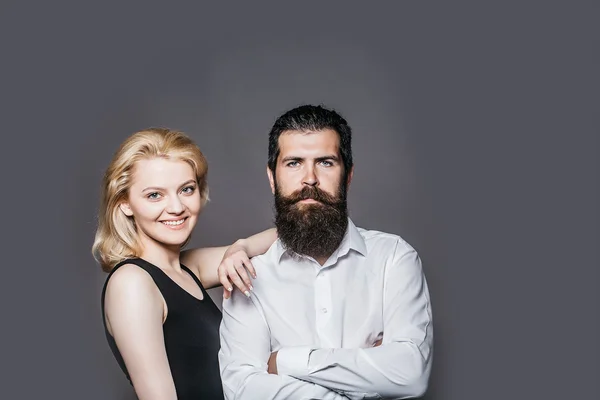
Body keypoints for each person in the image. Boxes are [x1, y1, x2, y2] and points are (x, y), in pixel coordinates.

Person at [219, 105, 433, 399]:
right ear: (272, 178)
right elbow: (242, 389)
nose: (310, 179)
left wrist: (284, 361)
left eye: (326, 162)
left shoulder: (394, 258)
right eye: (294, 163)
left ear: (348, 175)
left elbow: (410, 375)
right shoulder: (248, 275)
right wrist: (365, 374)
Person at [92, 127, 276, 400]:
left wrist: (242, 246)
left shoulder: (188, 267)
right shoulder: (132, 282)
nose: (176, 207)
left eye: (186, 189)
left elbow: (286, 236)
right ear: (125, 203)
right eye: (155, 195)